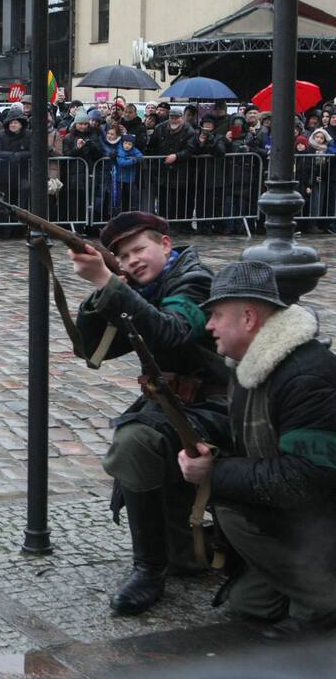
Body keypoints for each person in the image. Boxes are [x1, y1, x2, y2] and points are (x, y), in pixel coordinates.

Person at [71, 211, 229, 615]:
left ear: (165, 245)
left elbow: (171, 329)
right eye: (121, 256)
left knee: (133, 441)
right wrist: (103, 292)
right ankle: (155, 564)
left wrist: (109, 282)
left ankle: (149, 569)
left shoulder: (195, 281)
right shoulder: (141, 287)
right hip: (168, 403)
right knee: (137, 442)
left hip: (216, 404)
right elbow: (93, 351)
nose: (131, 261)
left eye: (139, 249)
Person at [180, 261, 336, 642]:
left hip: (321, 517)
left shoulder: (305, 376)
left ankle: (323, 604)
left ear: (248, 317)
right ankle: (301, 587)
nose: (209, 326)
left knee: (233, 511)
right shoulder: (253, 365)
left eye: (216, 315)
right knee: (250, 604)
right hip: (303, 516)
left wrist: (214, 473)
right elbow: (249, 439)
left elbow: (308, 479)